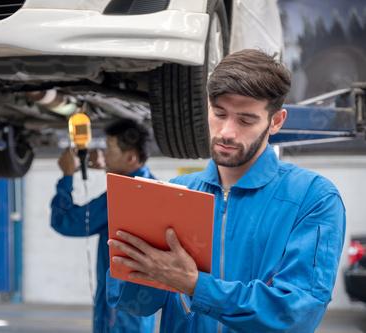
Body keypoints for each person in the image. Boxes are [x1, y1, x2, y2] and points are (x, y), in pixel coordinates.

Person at [106, 49, 346, 332]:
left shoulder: (313, 198)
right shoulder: (176, 193)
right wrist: (133, 267)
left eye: (246, 120)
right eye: (219, 114)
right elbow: (133, 304)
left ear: (276, 121)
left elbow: (296, 313)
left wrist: (195, 286)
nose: (227, 132)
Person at [50, 118, 156, 333]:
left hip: (119, 313)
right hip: (137, 308)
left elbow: (65, 221)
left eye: (109, 149)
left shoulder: (123, 196)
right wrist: (110, 167)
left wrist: (67, 175)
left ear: (131, 157)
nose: (103, 154)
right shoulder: (147, 185)